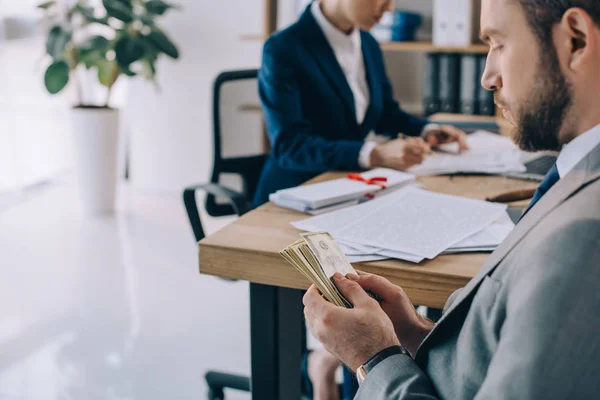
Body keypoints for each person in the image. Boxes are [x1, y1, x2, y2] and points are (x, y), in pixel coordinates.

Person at [303, 0, 600, 398]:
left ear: (575, 40)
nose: (487, 77)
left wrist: (373, 358)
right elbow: (500, 352)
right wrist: (413, 333)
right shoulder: (574, 173)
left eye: (498, 44)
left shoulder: (583, 239)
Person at [253, 0, 469, 207]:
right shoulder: (283, 47)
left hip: (347, 189)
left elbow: (385, 114)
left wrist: (427, 131)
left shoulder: (368, 43)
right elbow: (289, 146)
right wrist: (375, 154)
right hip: (293, 195)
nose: (390, 7)